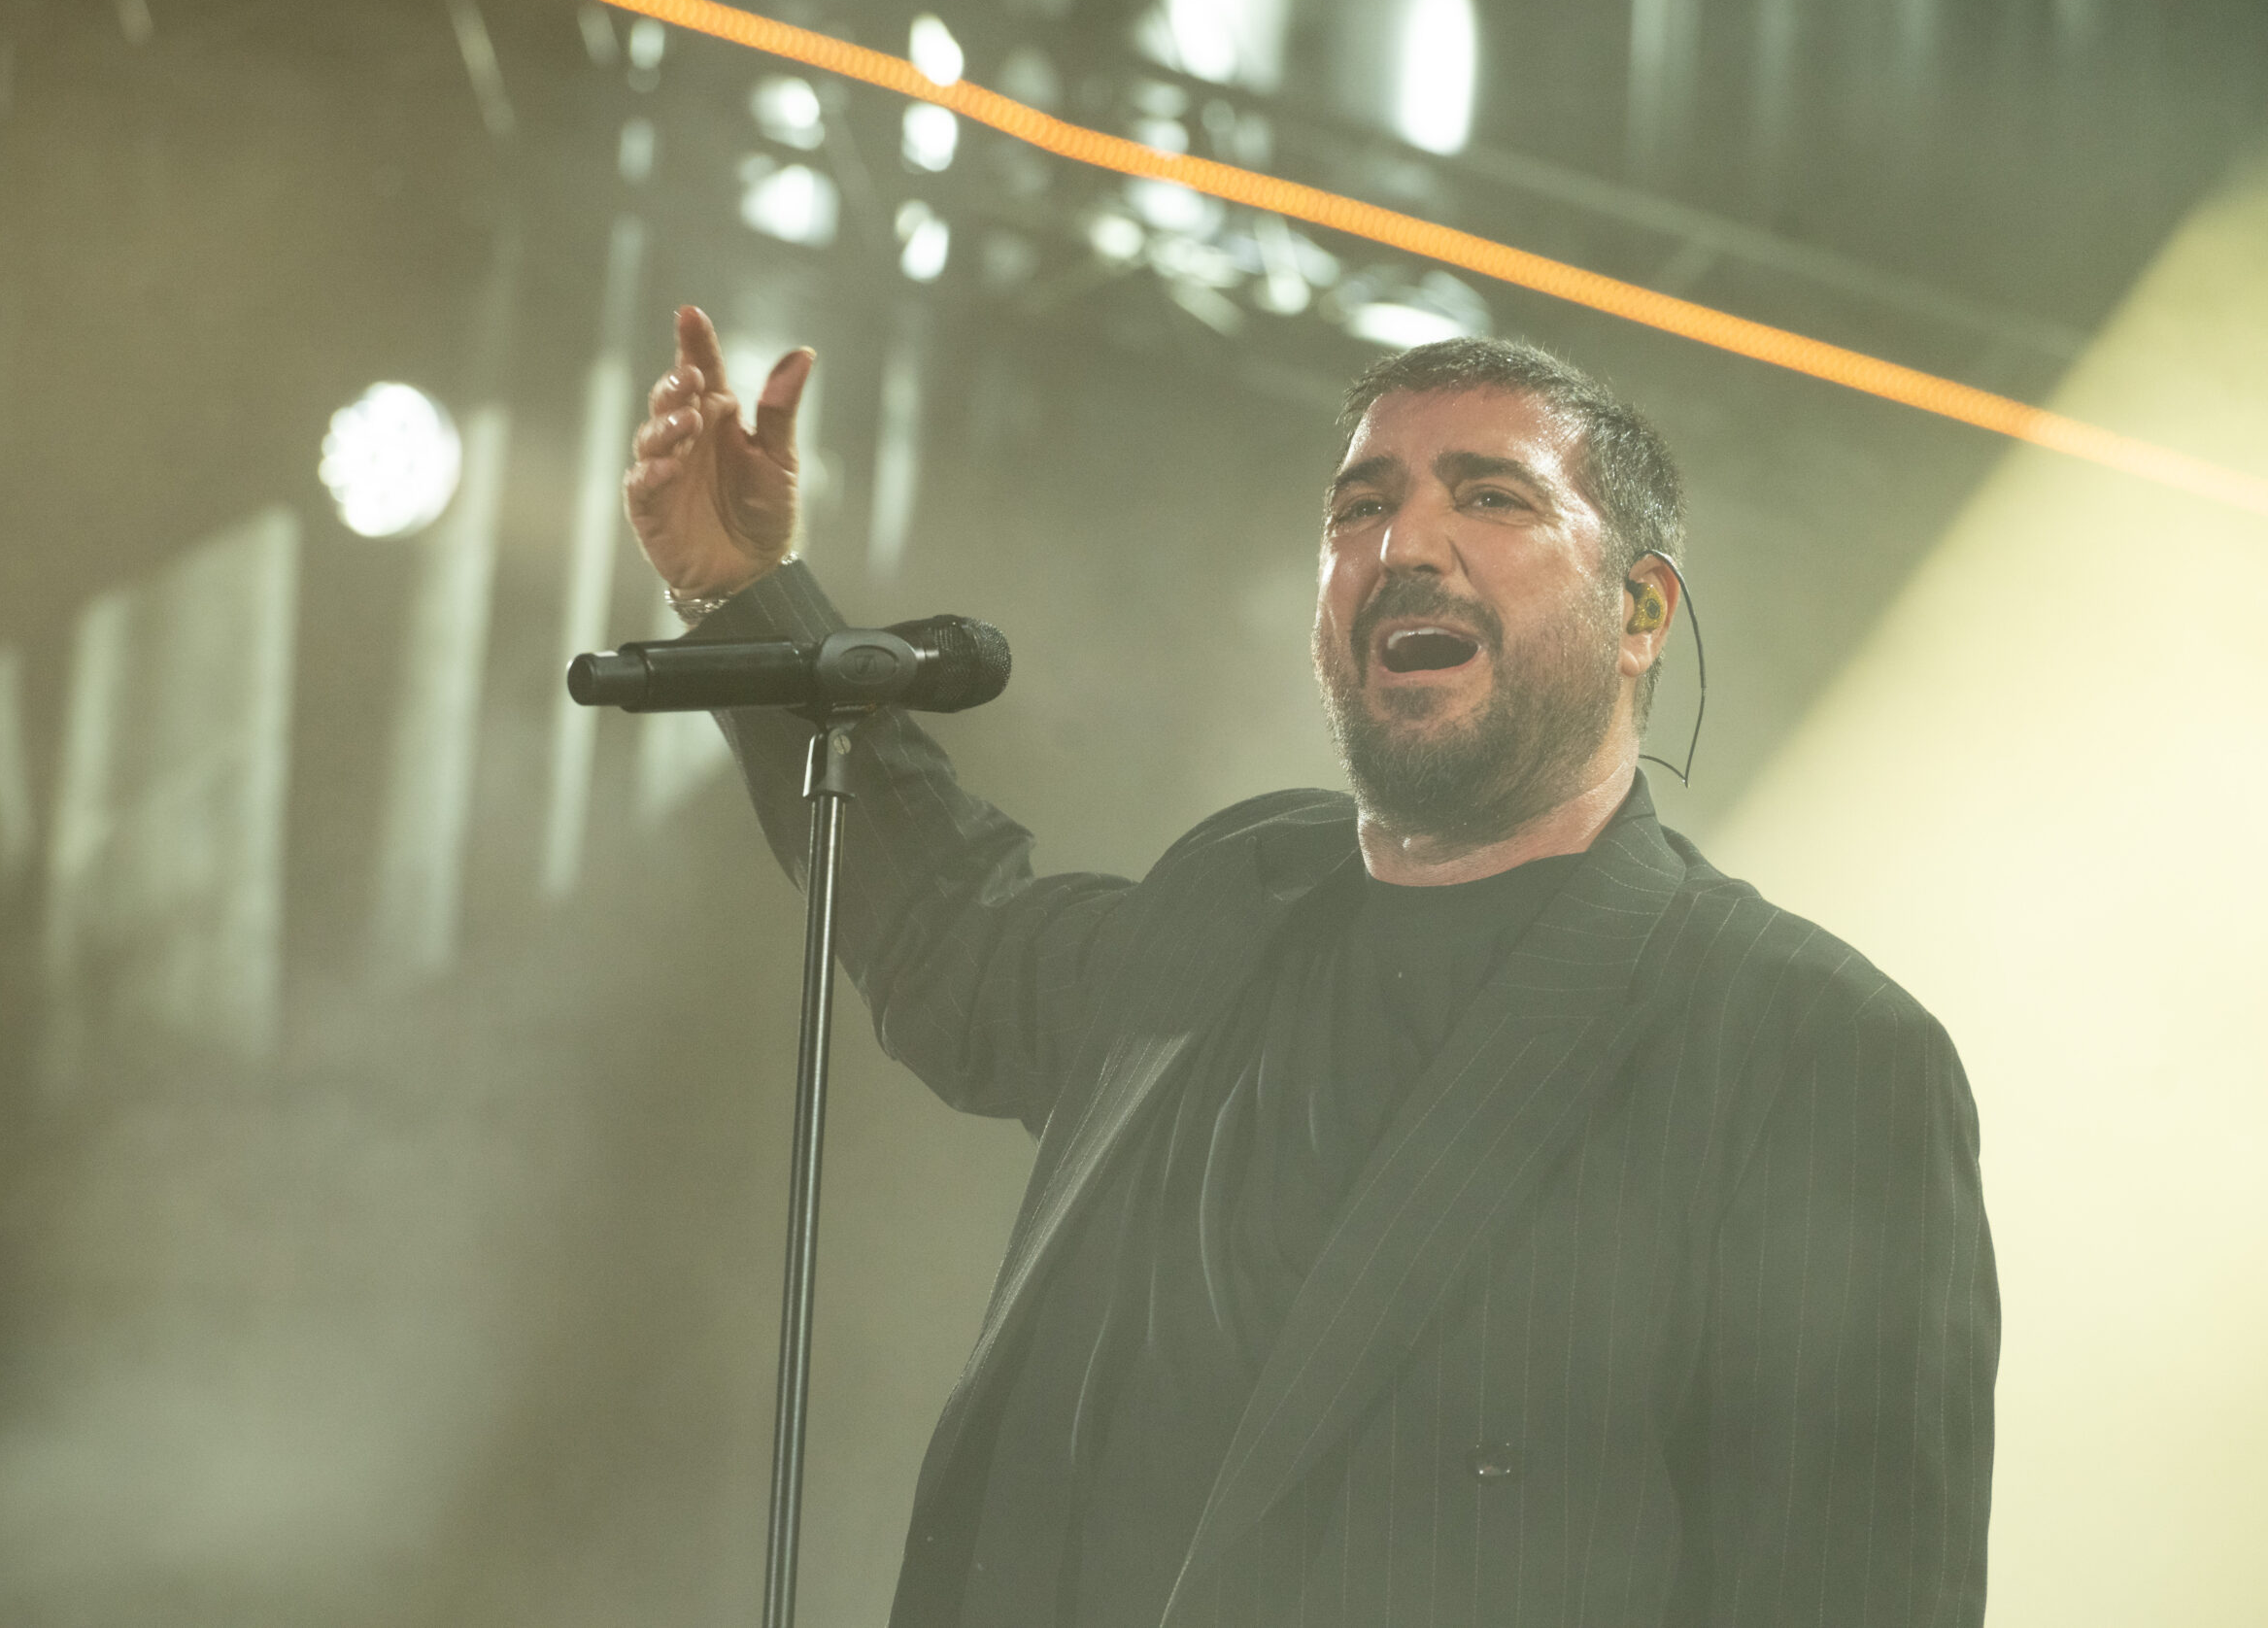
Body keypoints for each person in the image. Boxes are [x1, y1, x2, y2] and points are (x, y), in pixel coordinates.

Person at [624, 305, 1997, 1628]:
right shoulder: (1234, 897)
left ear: (1639, 609)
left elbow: (1848, 1589)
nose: (1405, 544)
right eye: (1360, 506)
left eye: (1493, 497)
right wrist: (738, 592)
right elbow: (959, 940)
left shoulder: (1807, 1046)